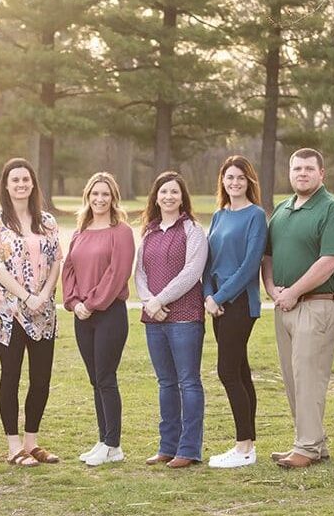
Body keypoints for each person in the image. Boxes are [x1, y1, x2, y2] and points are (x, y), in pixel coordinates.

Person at [262, 148, 334, 469]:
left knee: (309, 377)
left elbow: (330, 262)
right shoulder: (283, 210)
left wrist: (295, 292)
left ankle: (308, 446)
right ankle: (312, 442)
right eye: (297, 168)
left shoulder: (333, 211)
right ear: (290, 173)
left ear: (321, 173)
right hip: (284, 305)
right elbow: (269, 257)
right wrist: (273, 290)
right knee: (292, 377)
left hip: (317, 305)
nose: (302, 173)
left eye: (309, 168)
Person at [0, 158, 63, 467]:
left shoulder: (47, 221)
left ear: (33, 184)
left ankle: (32, 442)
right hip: (10, 312)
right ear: (6, 184)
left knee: (41, 379)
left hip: (44, 311)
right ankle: (13, 446)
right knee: (11, 376)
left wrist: (42, 295)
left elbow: (57, 259)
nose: (20, 184)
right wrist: (26, 296)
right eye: (14, 180)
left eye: (25, 179)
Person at [135, 172, 207, 469]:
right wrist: (149, 303)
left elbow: (192, 273)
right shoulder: (149, 231)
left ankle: (188, 449)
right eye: (163, 192)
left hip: (185, 318)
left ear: (182, 197)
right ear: (156, 196)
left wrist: (159, 300)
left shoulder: (193, 230)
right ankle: (167, 446)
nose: (168, 197)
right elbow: (139, 272)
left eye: (174, 192)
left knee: (188, 382)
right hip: (154, 319)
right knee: (165, 382)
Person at [62, 172, 135, 467]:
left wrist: (91, 303)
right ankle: (104, 439)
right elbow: (68, 270)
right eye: (95, 194)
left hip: (109, 314)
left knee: (106, 377)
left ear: (113, 198)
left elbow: (117, 274)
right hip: (82, 315)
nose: (100, 199)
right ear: (88, 197)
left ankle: (114, 445)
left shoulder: (122, 232)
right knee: (95, 380)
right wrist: (75, 302)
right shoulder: (81, 231)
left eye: (105, 194)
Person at [203, 156, 267, 469]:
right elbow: (208, 263)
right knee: (240, 371)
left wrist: (220, 297)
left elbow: (249, 265)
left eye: (241, 177)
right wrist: (208, 297)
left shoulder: (256, 215)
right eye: (230, 177)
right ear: (223, 181)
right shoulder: (218, 215)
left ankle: (243, 448)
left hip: (240, 304)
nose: (235, 182)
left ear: (249, 181)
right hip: (217, 304)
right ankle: (248, 445)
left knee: (227, 371)